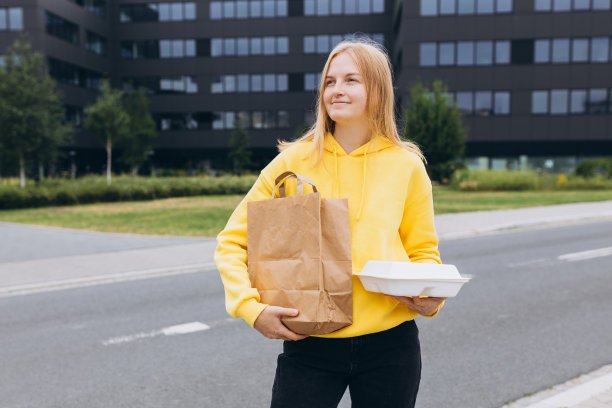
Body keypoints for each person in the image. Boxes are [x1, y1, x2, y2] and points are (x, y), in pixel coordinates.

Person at [214, 38, 446, 408]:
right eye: (330, 81)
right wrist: (250, 309)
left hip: (391, 345)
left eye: (351, 80)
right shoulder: (294, 162)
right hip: (309, 342)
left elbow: (423, 251)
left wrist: (429, 299)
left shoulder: (407, 166)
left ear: (378, 90)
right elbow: (232, 242)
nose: (337, 90)